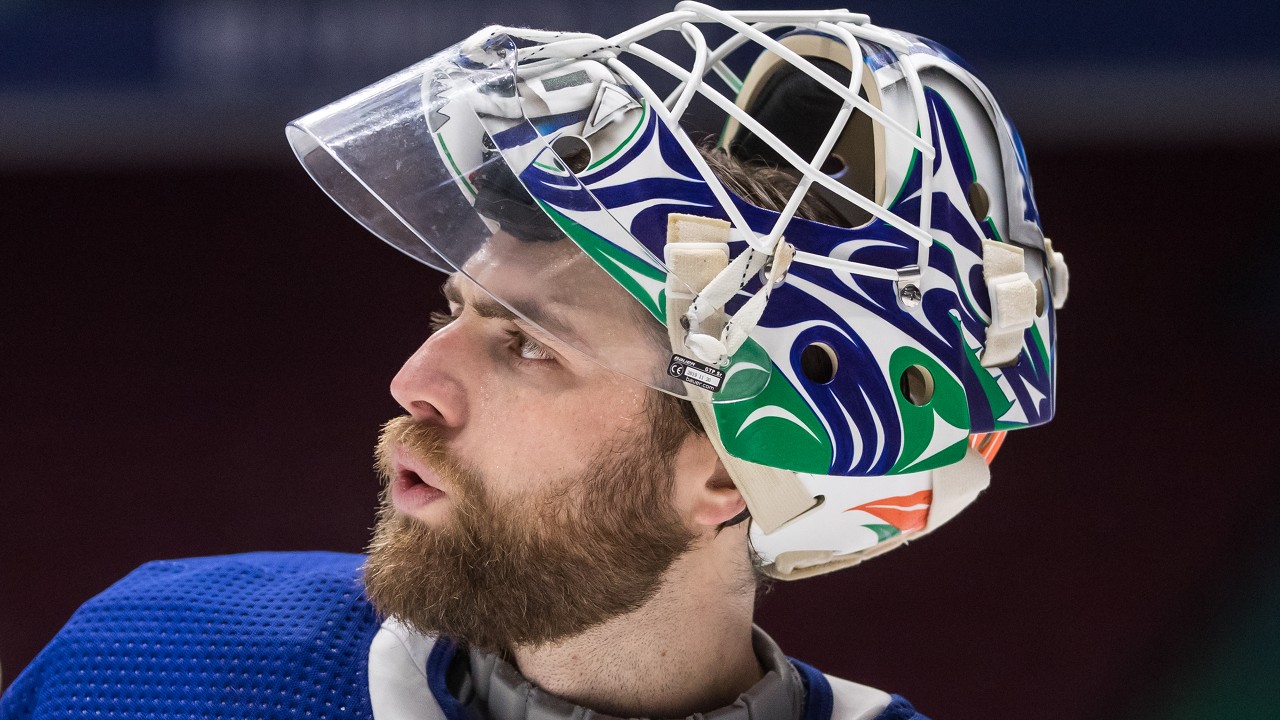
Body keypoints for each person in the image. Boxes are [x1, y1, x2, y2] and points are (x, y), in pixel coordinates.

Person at [0, 3, 1068, 719]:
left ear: (729, 467)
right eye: (447, 308)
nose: (414, 383)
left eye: (525, 344)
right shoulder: (152, 664)